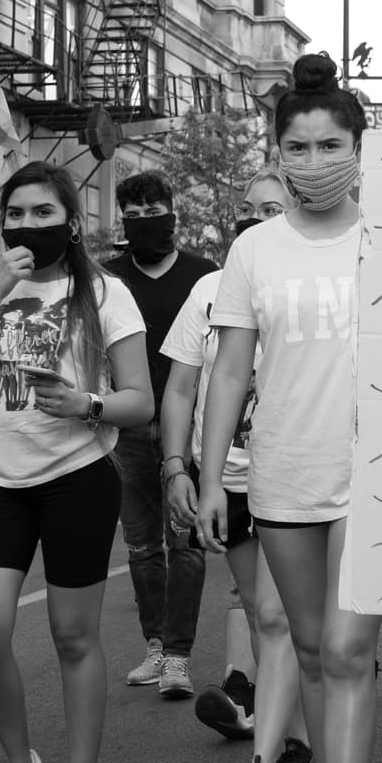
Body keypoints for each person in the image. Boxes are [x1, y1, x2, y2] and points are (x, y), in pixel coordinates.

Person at [0, 161, 153, 763]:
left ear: (71, 224)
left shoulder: (106, 294)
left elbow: (140, 401)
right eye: (16, 214)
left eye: (43, 213)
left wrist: (88, 403)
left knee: (73, 639)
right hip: (1, 484)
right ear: (2, 223)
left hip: (77, 479)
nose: (28, 225)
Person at [198, 52, 378, 763]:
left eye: (331, 145)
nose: (315, 161)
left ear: (360, 150)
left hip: (375, 474)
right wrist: (211, 479)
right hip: (282, 474)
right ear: (278, 153)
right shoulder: (252, 249)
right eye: (298, 147)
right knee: (307, 648)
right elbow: (232, 370)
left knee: (346, 651)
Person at [160, 168, 312, 763]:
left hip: (295, 479)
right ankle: (299, 740)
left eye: (270, 208)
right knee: (258, 612)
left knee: (281, 618)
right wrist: (182, 469)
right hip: (230, 481)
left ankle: (269, 754)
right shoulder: (209, 293)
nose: (255, 220)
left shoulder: (313, 283)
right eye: (247, 210)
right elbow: (180, 388)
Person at [104, 171, 217, 698]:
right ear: (123, 219)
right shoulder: (107, 281)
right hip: (125, 427)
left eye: (157, 212)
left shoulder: (204, 276)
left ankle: (178, 658)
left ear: (173, 212)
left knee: (185, 542)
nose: (148, 222)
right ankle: (154, 646)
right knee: (143, 546)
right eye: (136, 215)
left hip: (186, 428)